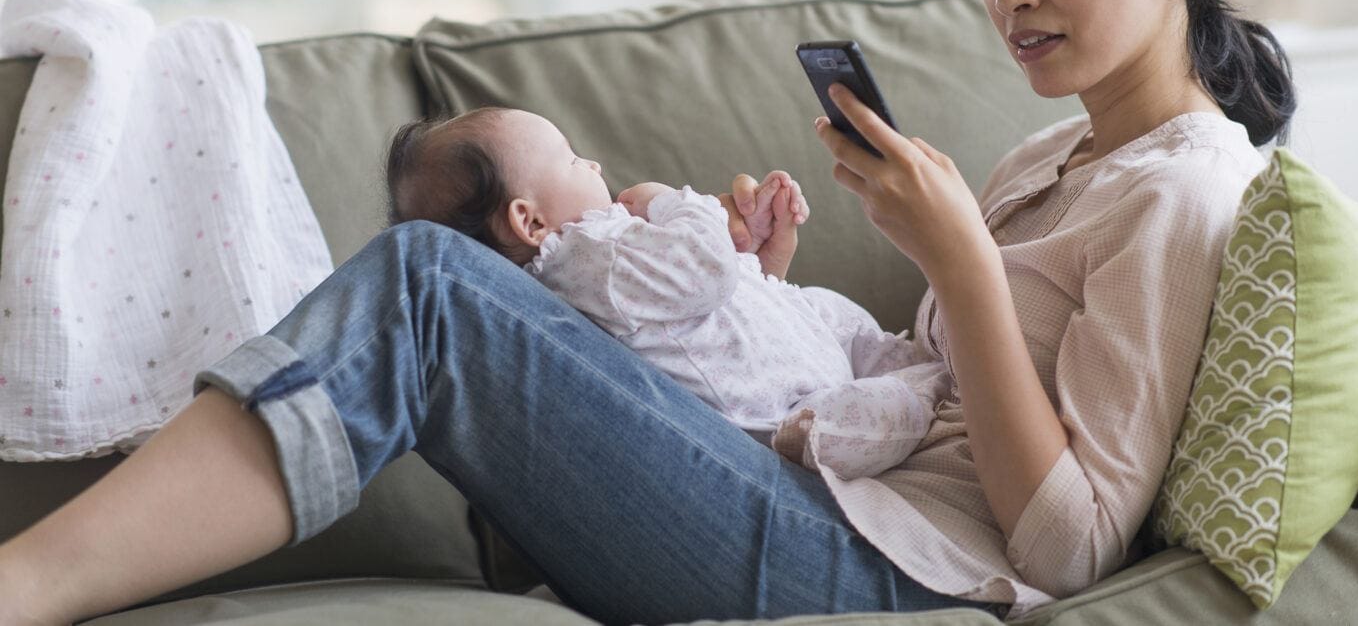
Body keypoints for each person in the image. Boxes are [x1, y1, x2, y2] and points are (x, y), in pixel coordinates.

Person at [0, 0, 1295, 625]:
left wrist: (956, 263)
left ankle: (29, 585)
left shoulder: (1185, 190)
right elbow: (918, 382)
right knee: (452, 287)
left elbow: (1068, 548)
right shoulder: (1048, 153)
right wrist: (761, 280)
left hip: (889, 567)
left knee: (426, 286)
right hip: (834, 488)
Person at [384, 106, 949, 479]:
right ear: (529, 224)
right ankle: (930, 382)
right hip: (788, 414)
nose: (595, 163)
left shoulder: (602, 257)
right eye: (573, 159)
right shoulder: (588, 258)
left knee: (824, 305)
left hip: (785, 371)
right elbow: (704, 274)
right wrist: (676, 202)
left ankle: (914, 367)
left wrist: (752, 255)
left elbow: (698, 312)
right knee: (892, 406)